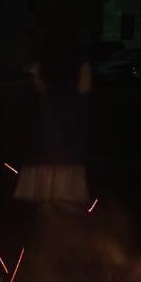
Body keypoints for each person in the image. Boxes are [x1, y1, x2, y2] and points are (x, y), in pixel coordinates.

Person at [15, 20, 91, 207]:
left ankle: (48, 205)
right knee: (64, 153)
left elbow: (37, 84)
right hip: (68, 110)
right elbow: (85, 86)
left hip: (49, 109)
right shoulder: (79, 57)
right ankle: (61, 203)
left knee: (47, 152)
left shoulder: (43, 56)